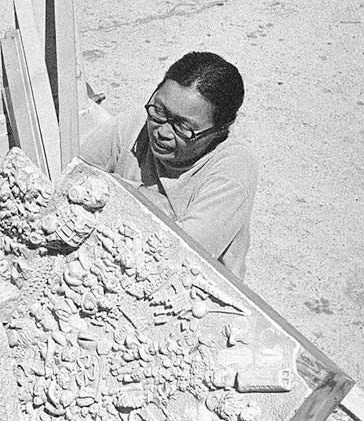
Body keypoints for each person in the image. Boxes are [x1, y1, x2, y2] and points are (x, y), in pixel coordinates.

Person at [80, 51, 257, 280]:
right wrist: (148, 200)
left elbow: (176, 258)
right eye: (160, 110)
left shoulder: (233, 169)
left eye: (183, 127)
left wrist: (109, 190)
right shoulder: (138, 121)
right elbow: (74, 175)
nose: (162, 131)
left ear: (220, 130)